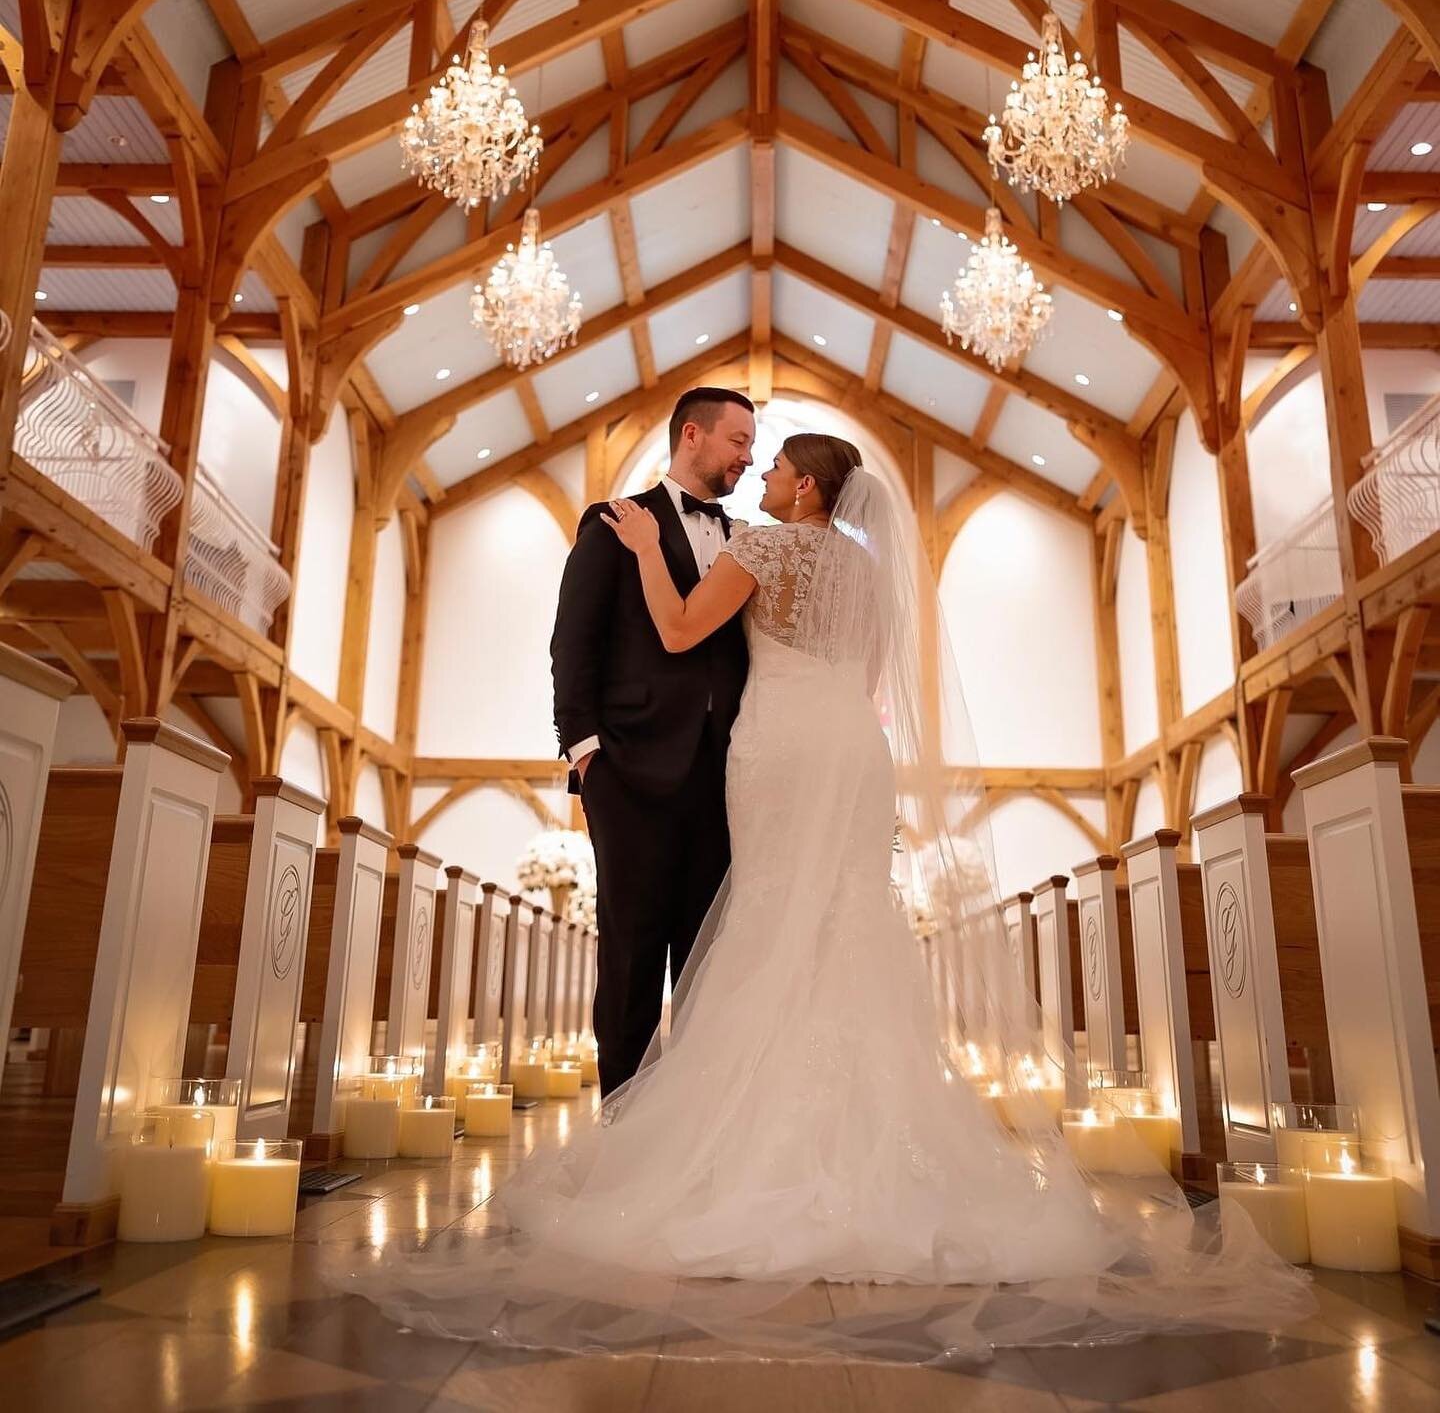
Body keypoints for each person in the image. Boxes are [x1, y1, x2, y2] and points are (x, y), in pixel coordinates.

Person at [326, 433, 1314, 1364]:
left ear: (806, 488)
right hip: (851, 747)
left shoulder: (764, 545)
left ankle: (750, 1147)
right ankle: (873, 1148)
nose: (760, 480)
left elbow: (678, 625)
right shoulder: (875, 573)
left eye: (777, 469)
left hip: (780, 748)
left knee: (769, 910)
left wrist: (640, 547)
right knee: (848, 913)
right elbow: (873, 681)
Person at [549, 386, 754, 1094]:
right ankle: (620, 1127)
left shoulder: (745, 540)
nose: (748, 458)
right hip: (628, 771)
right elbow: (573, 641)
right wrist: (585, 753)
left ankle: (688, 1136)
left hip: (722, 778)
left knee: (705, 962)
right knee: (631, 955)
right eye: (738, 440)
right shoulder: (613, 523)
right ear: (692, 435)